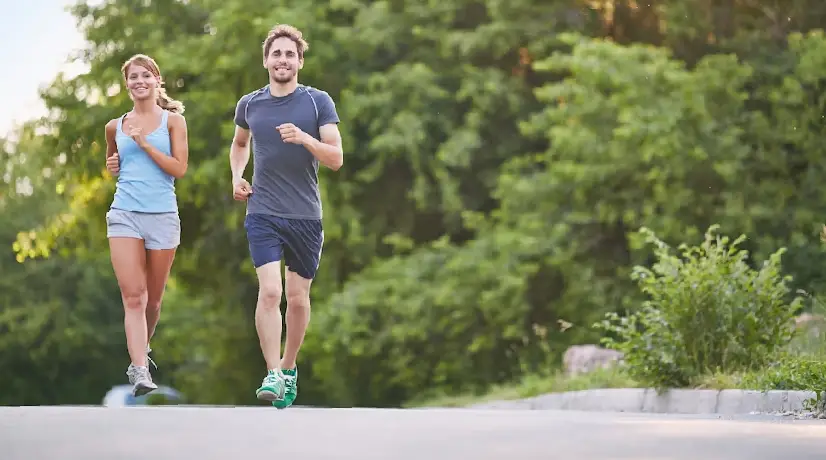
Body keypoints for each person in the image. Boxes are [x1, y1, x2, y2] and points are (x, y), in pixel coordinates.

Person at [228, 24, 343, 408]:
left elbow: (336, 158)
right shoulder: (250, 104)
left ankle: (290, 367)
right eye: (276, 54)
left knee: (297, 299)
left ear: (299, 61)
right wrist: (236, 176)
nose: (282, 60)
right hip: (262, 211)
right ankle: (273, 371)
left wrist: (305, 138)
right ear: (266, 60)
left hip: (306, 216)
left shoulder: (317, 103)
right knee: (271, 292)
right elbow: (240, 144)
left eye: (289, 54)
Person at [104, 53, 189, 397]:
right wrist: (112, 164)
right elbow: (113, 162)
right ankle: (139, 369)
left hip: (162, 216)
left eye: (145, 76)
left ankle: (144, 348)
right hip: (124, 213)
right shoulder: (115, 126)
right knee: (134, 296)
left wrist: (143, 144)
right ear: (127, 85)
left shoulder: (173, 122)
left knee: (153, 302)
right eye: (133, 77)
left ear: (157, 80)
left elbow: (179, 168)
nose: (139, 81)